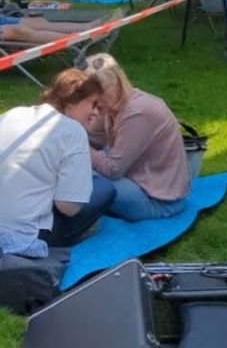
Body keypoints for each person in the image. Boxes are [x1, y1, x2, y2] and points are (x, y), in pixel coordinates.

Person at [0, 68, 115, 253]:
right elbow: (68, 207)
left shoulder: (13, 113)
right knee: (105, 189)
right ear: (72, 100)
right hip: (22, 235)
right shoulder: (72, 132)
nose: (95, 113)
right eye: (92, 104)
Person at [73, 54, 190, 223]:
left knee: (77, 175)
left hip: (159, 201)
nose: (95, 102)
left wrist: (78, 144)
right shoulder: (115, 104)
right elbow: (92, 135)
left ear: (115, 83)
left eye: (98, 94)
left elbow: (112, 170)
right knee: (72, 167)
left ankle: (68, 218)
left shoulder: (137, 113)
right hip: (140, 183)